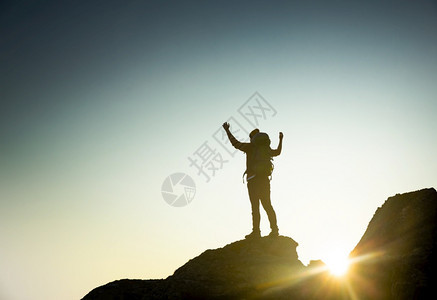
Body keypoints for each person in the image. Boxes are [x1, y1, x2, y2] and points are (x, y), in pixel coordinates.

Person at [222, 122, 283, 238]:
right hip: (265, 180)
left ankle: (256, 232)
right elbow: (278, 152)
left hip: (253, 181)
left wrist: (227, 130)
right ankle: (275, 230)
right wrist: (280, 139)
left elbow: (235, 143)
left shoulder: (250, 147)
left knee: (255, 207)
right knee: (268, 205)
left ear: (252, 139)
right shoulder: (266, 150)